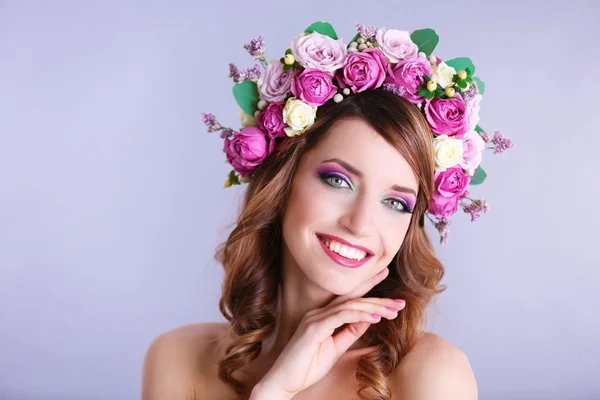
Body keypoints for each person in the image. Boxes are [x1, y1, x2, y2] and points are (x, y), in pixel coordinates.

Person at [142, 21, 511, 400]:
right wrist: (273, 392)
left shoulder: (430, 375)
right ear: (282, 182)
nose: (360, 223)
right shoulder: (177, 359)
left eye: (396, 202)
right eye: (338, 181)